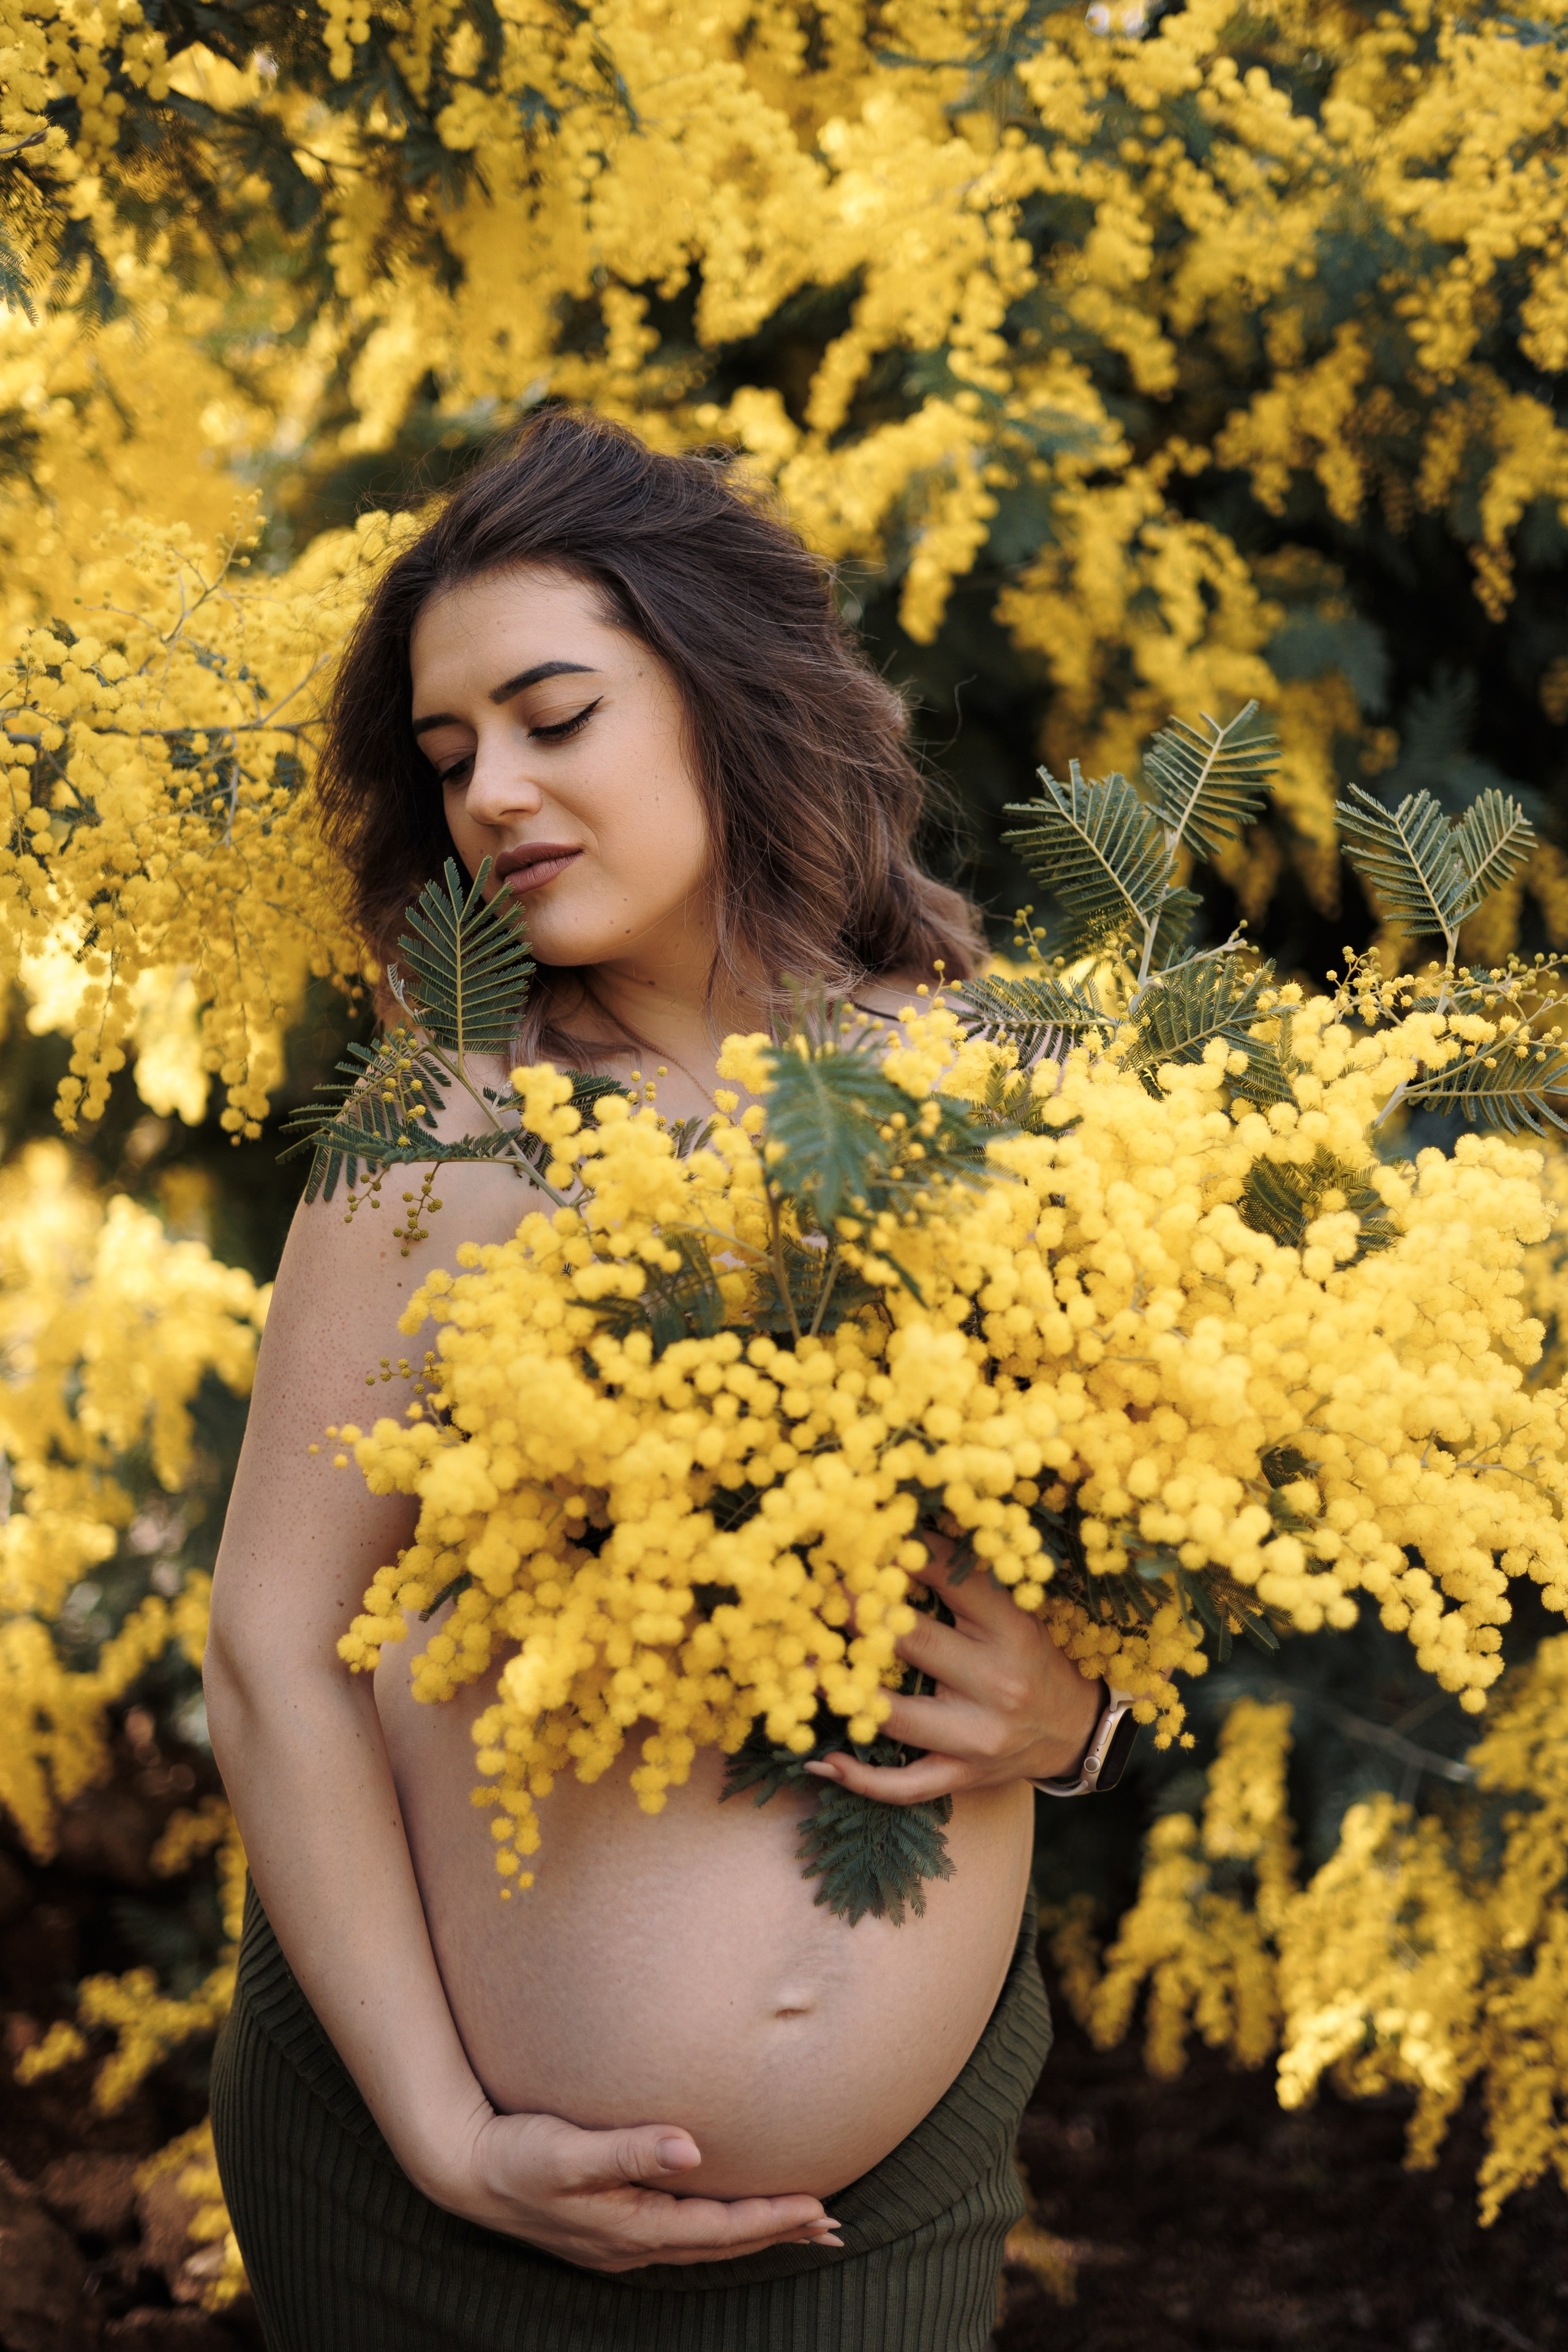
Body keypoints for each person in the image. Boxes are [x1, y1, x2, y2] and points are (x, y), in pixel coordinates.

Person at [206, 409, 1110, 2352]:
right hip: (421, 2206)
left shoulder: (1013, 1088)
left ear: (723, 697)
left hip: (872, 2227)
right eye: (451, 760)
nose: (493, 797)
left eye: (554, 717)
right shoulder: (444, 1126)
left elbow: (1161, 1550)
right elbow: (272, 1648)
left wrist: (1085, 1720)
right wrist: (446, 2136)